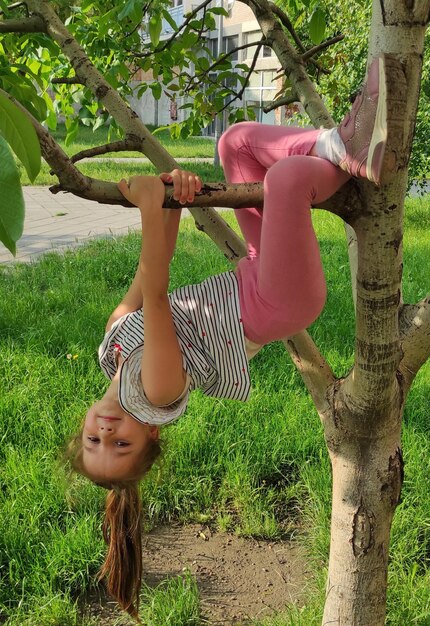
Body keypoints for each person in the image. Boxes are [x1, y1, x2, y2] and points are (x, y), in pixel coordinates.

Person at [66, 55, 389, 619]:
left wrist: (171, 193)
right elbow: (161, 294)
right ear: (150, 437)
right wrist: (148, 206)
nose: (108, 433)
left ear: (83, 426)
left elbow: (147, 274)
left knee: (236, 145)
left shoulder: (110, 351)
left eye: (95, 441)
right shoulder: (158, 395)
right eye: (122, 446)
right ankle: (348, 153)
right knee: (285, 180)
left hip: (256, 274)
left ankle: (340, 149)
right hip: (275, 302)